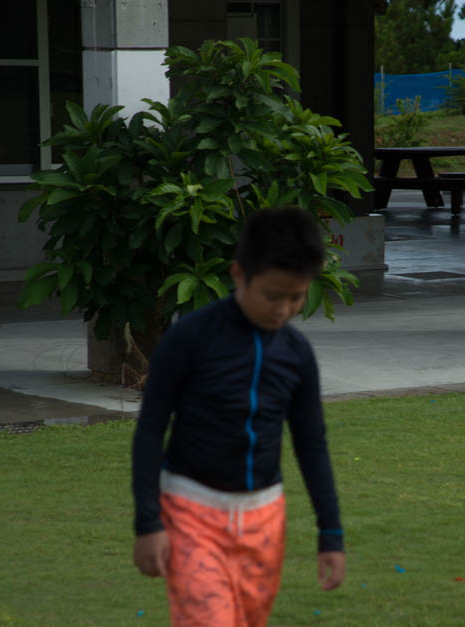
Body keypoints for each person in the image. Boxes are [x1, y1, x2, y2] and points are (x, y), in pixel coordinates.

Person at [131, 207, 345, 626]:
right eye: (272, 295)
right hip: (191, 512)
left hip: (265, 519)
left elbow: (311, 442)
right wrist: (148, 521)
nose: (283, 308)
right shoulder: (188, 339)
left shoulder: (298, 355)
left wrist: (330, 533)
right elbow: (151, 430)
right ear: (238, 274)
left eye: (296, 296)